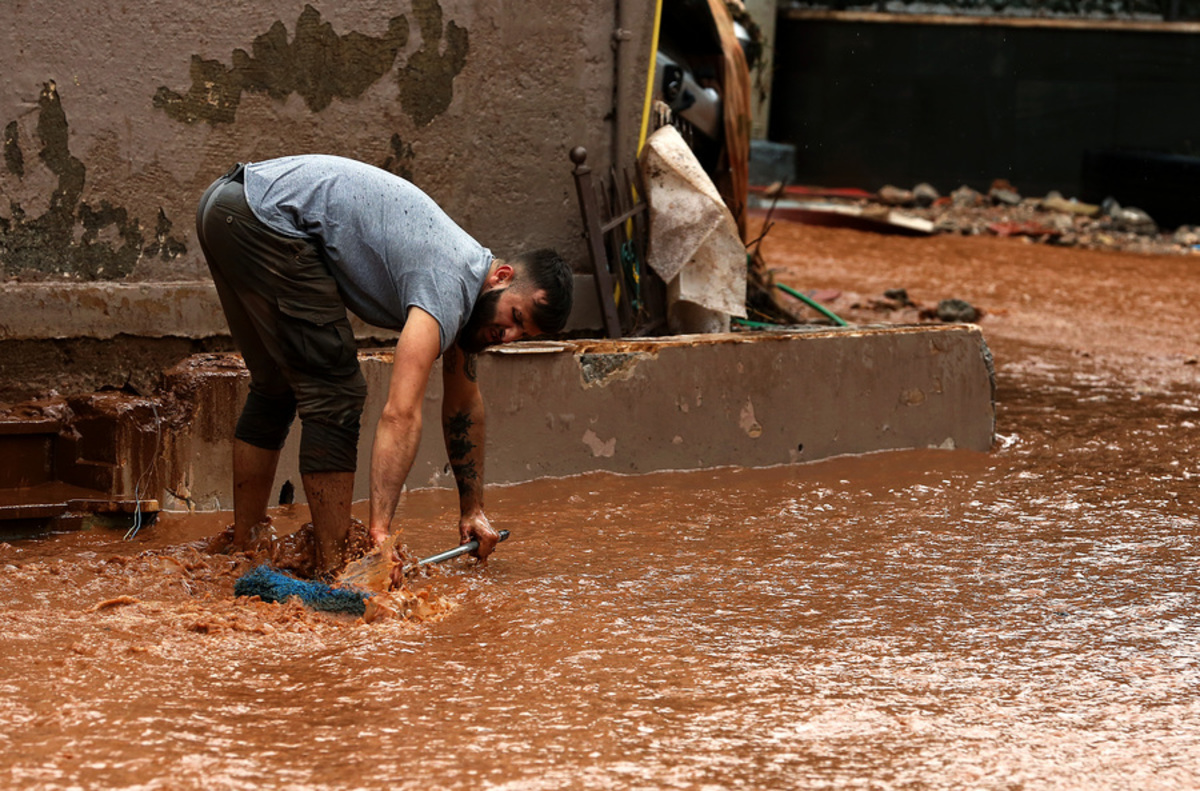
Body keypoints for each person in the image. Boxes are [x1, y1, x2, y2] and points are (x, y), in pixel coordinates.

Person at [195, 154, 573, 577]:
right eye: (515, 318)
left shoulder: (469, 296)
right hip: (262, 218)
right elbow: (401, 413)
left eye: (523, 336)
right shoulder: (448, 287)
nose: (508, 337)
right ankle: (335, 573)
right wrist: (379, 535)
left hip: (227, 206)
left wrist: (473, 510)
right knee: (336, 390)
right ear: (502, 276)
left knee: (276, 386)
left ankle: (245, 550)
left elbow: (464, 404)